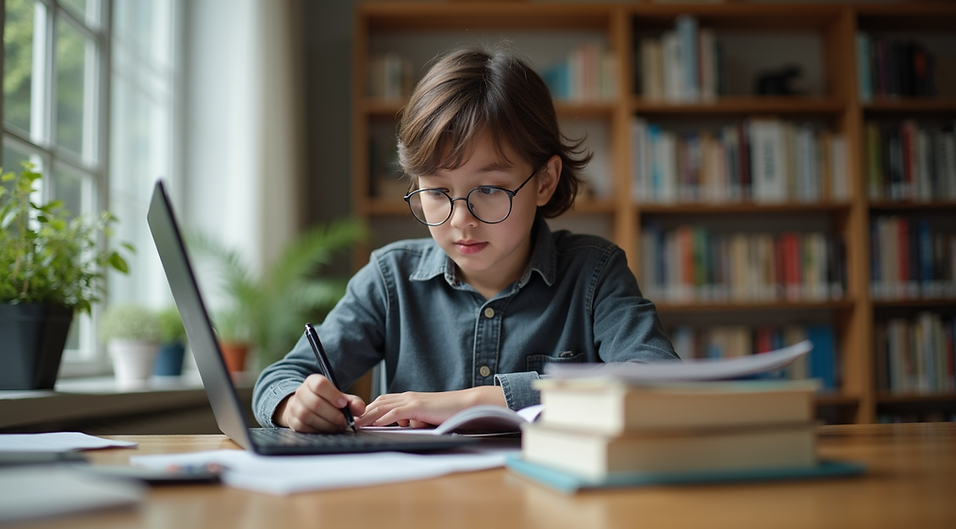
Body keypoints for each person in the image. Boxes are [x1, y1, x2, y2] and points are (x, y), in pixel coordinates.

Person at [252, 46, 678, 433]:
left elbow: (654, 379)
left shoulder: (595, 273)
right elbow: (278, 379)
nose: (460, 220)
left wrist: (471, 403)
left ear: (545, 181)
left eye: (489, 190)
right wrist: (294, 404)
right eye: (437, 192)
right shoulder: (390, 277)